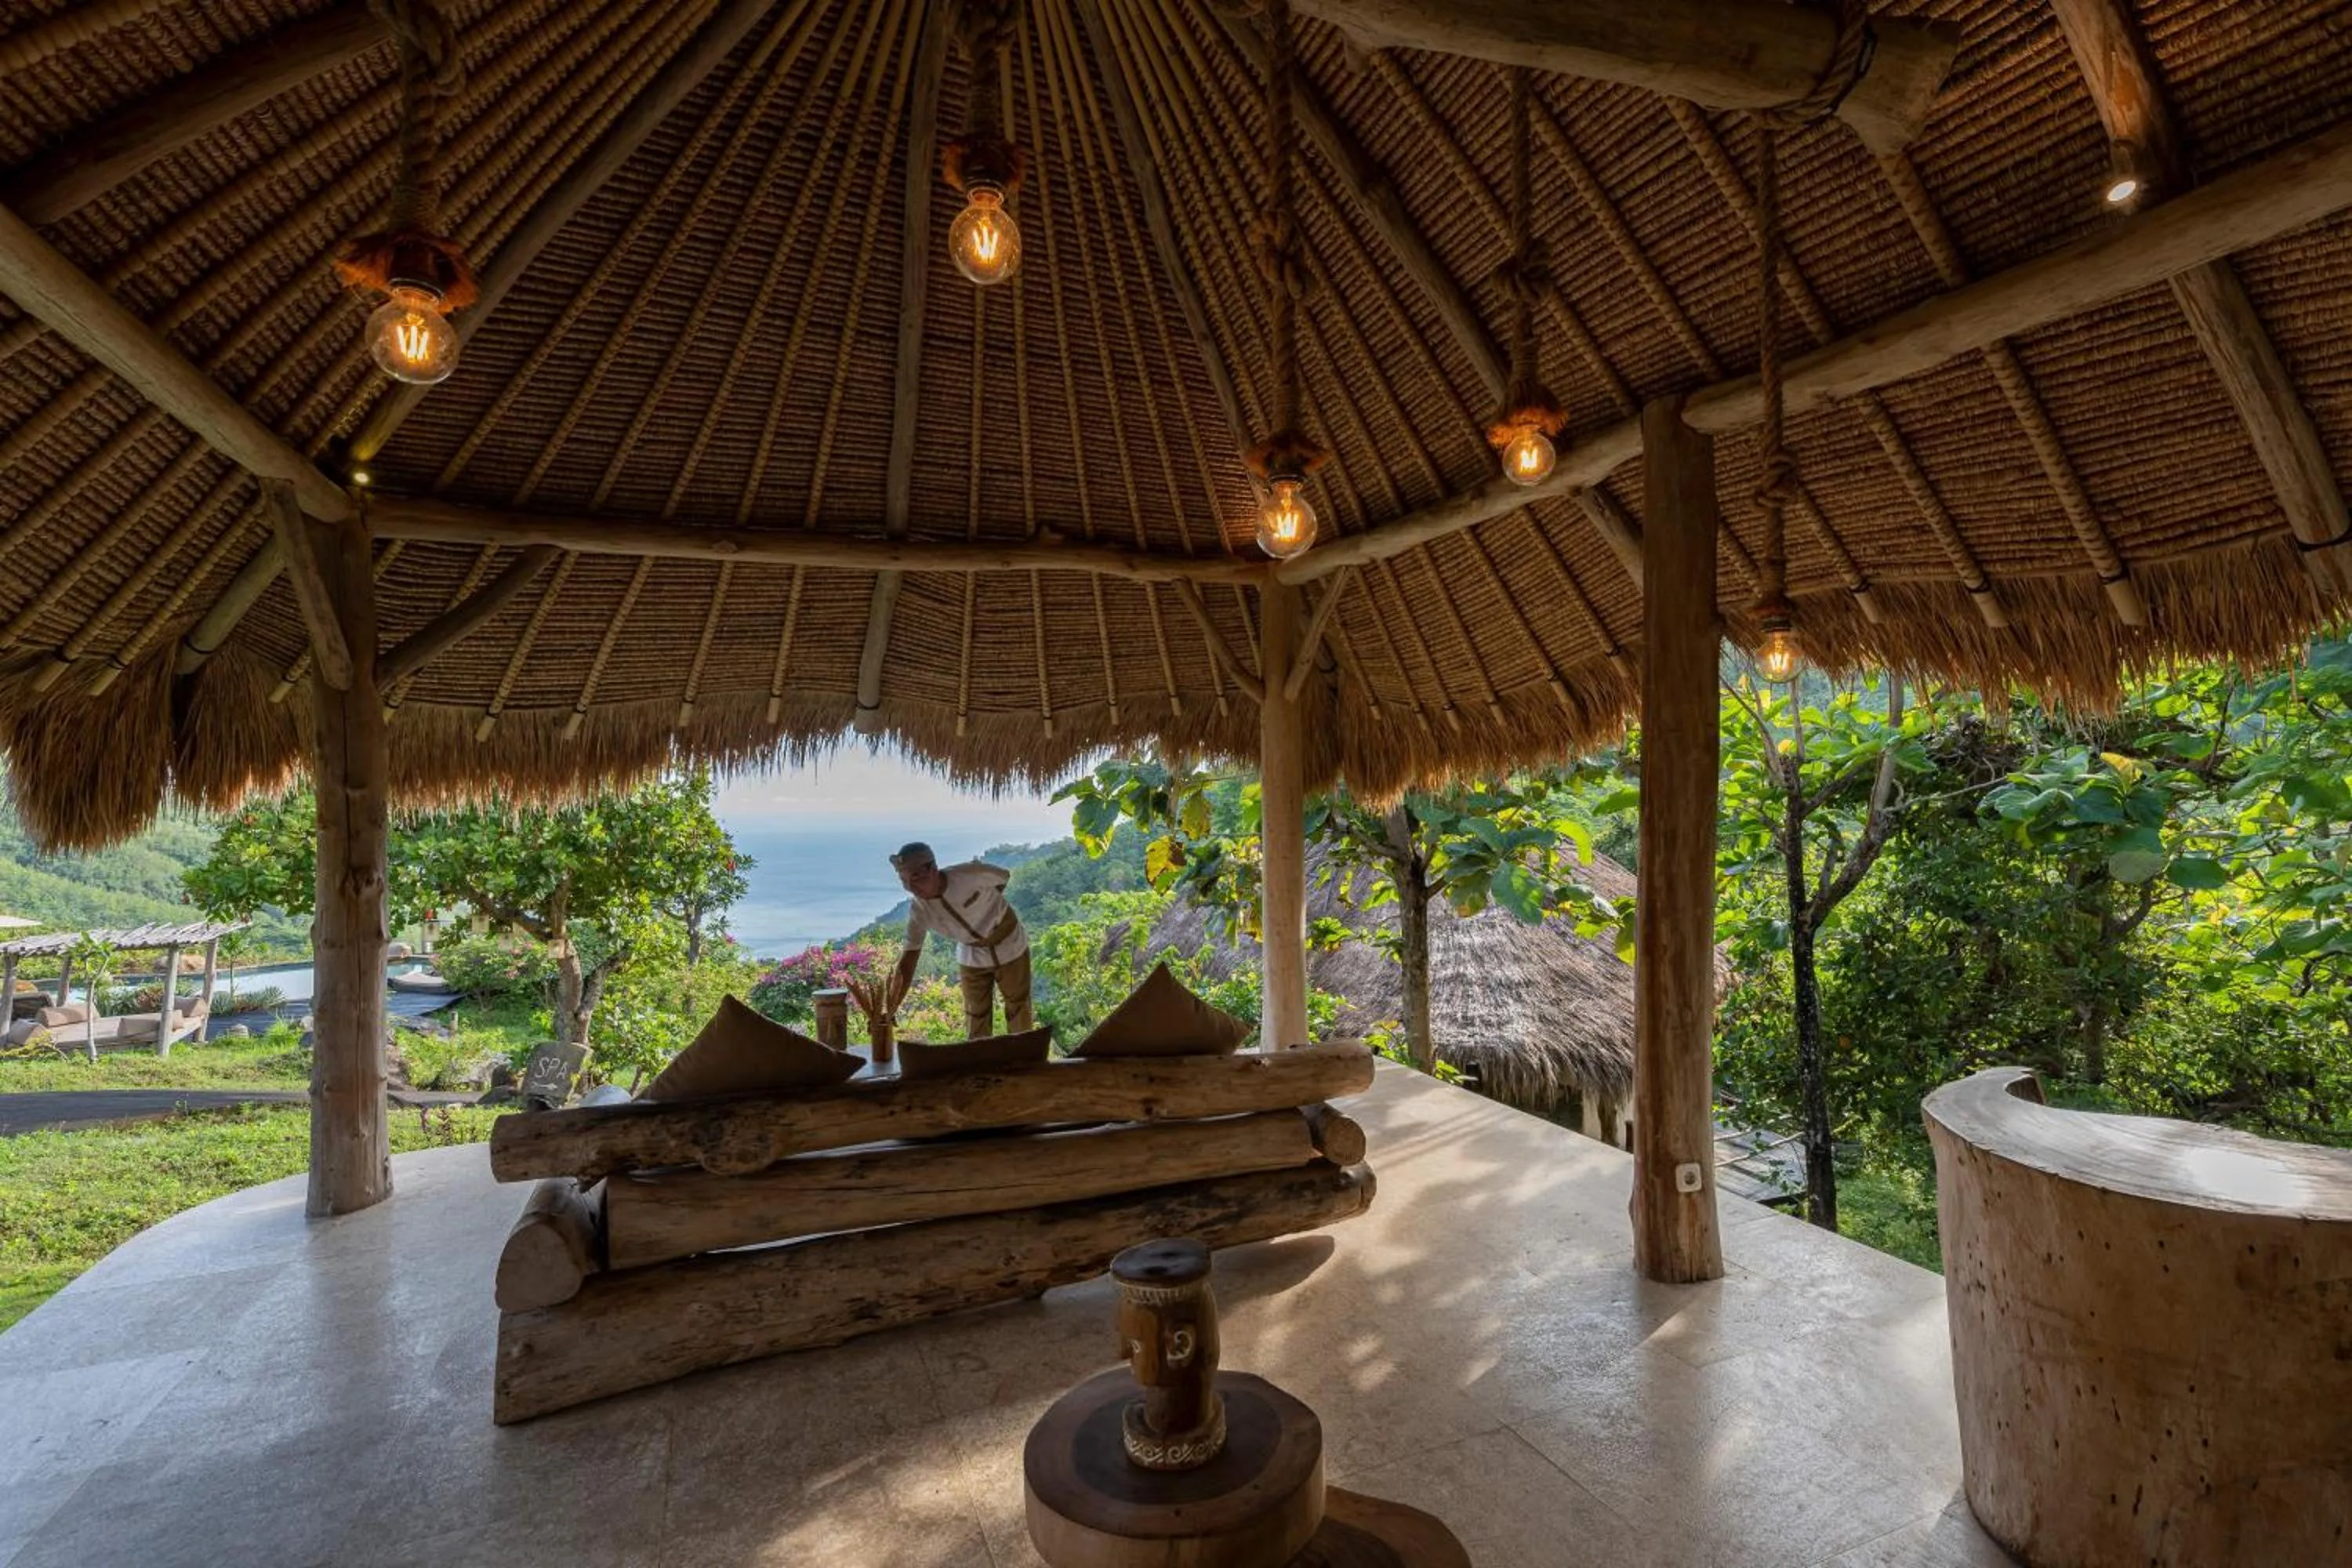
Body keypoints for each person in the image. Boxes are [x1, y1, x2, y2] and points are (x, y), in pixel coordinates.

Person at [887, 841, 1033, 1039]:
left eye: (916, 878)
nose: (911, 888)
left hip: (1010, 944)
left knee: (1019, 1009)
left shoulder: (969, 875)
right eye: (904, 881)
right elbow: (908, 960)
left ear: (932, 869)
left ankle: (1025, 1063)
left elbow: (1003, 876)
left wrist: (987, 907)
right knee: (976, 1016)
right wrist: (891, 1006)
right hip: (971, 955)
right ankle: (979, 1066)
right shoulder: (920, 911)